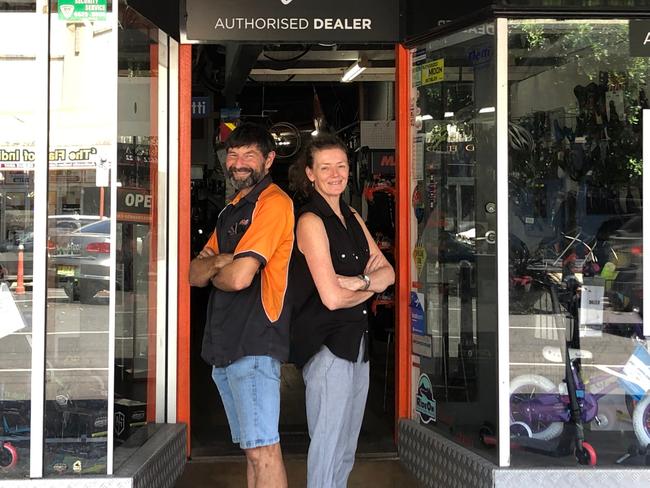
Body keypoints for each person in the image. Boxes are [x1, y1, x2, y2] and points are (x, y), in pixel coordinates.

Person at [189, 123, 293, 488]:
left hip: (254, 343)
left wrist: (220, 264)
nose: (239, 162)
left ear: (269, 159)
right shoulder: (230, 210)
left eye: (250, 154)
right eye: (233, 154)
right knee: (253, 450)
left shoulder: (274, 203)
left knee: (264, 450)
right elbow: (193, 273)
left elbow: (239, 279)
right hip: (226, 346)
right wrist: (221, 261)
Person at [290, 133, 395, 488]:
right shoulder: (310, 222)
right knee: (328, 443)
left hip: (358, 346)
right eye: (325, 168)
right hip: (328, 349)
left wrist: (358, 282)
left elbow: (389, 272)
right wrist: (370, 284)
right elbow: (331, 299)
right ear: (310, 174)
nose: (335, 174)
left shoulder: (351, 215)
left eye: (341, 166)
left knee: (348, 445)